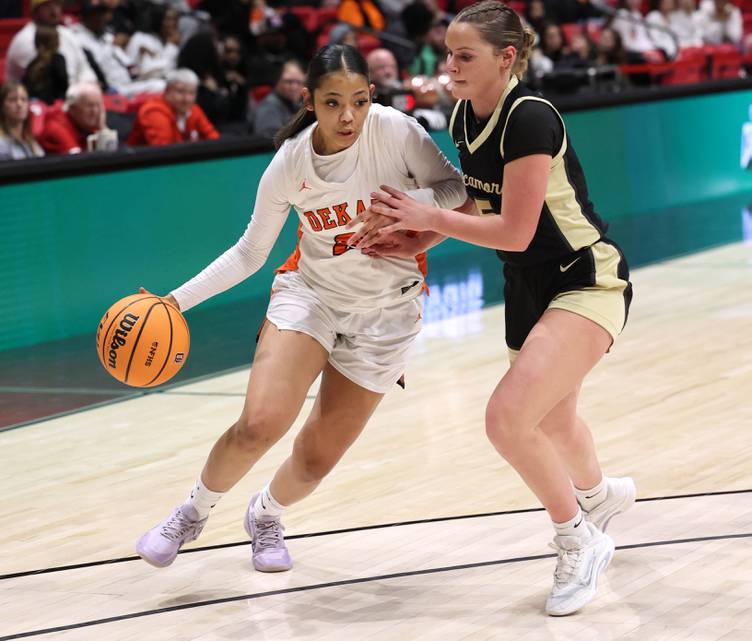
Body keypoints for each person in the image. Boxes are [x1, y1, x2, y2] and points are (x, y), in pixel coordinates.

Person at [347, 1, 635, 616]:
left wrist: (426, 214)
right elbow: (481, 207)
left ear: (506, 58)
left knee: (507, 419)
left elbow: (518, 230)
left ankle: (577, 541)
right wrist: (418, 237)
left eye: (464, 55)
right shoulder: (461, 116)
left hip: (583, 278)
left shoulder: (529, 117)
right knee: (553, 423)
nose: (450, 65)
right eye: (448, 53)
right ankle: (600, 496)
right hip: (526, 287)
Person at [135, 44, 467, 573]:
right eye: (333, 103)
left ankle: (266, 515)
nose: (348, 116)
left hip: (389, 311)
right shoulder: (291, 162)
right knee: (260, 423)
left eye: (358, 101)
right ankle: (191, 512)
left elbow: (457, 191)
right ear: (310, 101)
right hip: (310, 295)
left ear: (372, 97)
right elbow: (249, 252)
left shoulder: (397, 131)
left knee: (315, 458)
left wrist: (414, 210)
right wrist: (174, 303)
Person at [5, 0, 97, 86]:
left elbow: (85, 69)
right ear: (36, 10)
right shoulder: (25, 39)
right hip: (34, 99)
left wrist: (88, 88)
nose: (54, 11)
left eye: (57, 4)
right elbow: (42, 83)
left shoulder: (67, 34)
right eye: (48, 6)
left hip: (72, 94)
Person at [127, 68, 219, 146]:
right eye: (180, 91)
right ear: (167, 91)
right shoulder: (153, 111)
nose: (187, 99)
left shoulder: (193, 109)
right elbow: (166, 152)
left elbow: (214, 138)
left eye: (191, 93)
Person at [0, 82, 45, 162]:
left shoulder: (31, 142)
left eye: (23, 99)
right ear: (1, 106)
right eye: (12, 100)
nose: (19, 104)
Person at [38, 81, 108, 154]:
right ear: (72, 109)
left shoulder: (86, 124)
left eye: (98, 105)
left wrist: (103, 128)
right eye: (90, 106)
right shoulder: (56, 128)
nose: (95, 111)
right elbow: (79, 161)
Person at [251, 60, 305, 139]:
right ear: (277, 81)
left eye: (299, 82)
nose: (294, 87)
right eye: (288, 82)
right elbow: (269, 142)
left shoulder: (296, 105)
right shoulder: (268, 107)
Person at [23, 24, 68, 104]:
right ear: (56, 42)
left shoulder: (32, 63)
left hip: (36, 107)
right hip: (55, 108)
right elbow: (64, 86)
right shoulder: (58, 59)